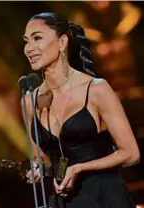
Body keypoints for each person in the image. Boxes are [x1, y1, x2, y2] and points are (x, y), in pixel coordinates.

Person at [23, 12, 140, 208]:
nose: (29, 48)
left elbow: (131, 153)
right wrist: (37, 169)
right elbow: (42, 159)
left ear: (62, 43)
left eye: (37, 38)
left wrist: (79, 169)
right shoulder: (29, 100)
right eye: (26, 41)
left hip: (105, 197)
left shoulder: (96, 89)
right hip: (65, 202)